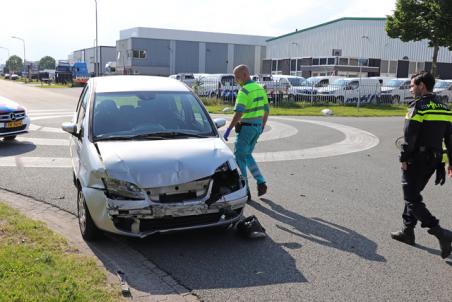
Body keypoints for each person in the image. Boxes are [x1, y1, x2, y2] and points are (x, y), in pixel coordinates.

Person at [391, 71, 452, 259]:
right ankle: (407, 231)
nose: (411, 89)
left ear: (422, 86)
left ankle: (440, 232)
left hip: (416, 159)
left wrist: (404, 159)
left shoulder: (418, 107)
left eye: (412, 86)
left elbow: (410, 137)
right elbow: (449, 139)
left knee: (411, 198)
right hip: (433, 161)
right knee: (413, 195)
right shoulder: (445, 107)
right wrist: (446, 163)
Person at [223, 64, 269, 198]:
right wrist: (262, 126)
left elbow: (239, 113)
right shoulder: (259, 88)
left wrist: (229, 128)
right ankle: (260, 181)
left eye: (237, 78)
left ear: (245, 75)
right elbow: (266, 109)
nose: (236, 81)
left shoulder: (244, 91)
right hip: (256, 127)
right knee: (247, 155)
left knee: (239, 158)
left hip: (246, 128)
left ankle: (245, 190)